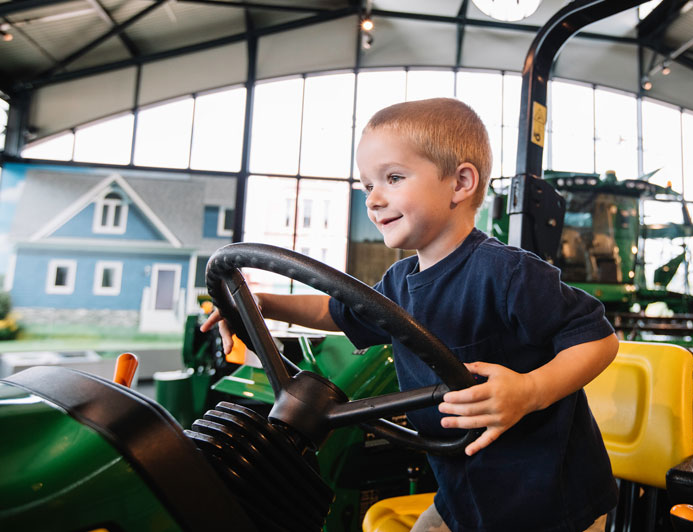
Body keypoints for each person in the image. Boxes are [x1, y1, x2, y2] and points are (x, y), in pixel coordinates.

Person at [201, 97, 619, 532]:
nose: (374, 199)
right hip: (463, 491)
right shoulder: (400, 281)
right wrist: (259, 305)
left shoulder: (507, 272)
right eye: (367, 186)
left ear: (460, 183)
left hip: (548, 501)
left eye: (393, 178)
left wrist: (531, 390)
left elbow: (598, 339)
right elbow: (334, 309)